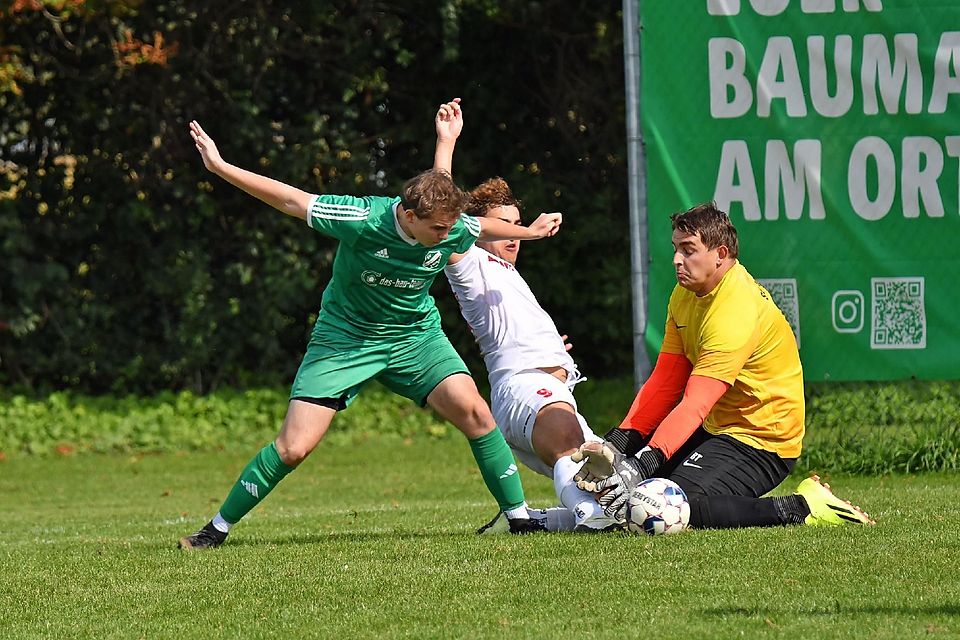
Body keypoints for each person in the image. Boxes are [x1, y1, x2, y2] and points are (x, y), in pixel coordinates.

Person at [178, 100, 564, 550]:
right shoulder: (364, 218)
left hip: (414, 337)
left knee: (477, 414)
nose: (451, 236)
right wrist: (221, 166)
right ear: (409, 215)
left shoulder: (449, 224)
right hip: (346, 339)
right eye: (439, 229)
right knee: (293, 447)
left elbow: (473, 223)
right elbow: (291, 198)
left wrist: (451, 147)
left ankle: (518, 518)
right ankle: (215, 529)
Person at [573, 202, 875, 529]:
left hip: (764, 442)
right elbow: (664, 384)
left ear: (720, 253)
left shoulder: (736, 308)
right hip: (717, 430)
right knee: (626, 493)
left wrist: (641, 465)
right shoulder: (683, 295)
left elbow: (695, 404)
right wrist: (616, 445)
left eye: (688, 250)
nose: (676, 259)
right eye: (675, 249)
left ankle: (804, 507)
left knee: (673, 503)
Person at [441, 177, 618, 533]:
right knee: (575, 451)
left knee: (609, 485)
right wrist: (446, 141)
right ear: (479, 229)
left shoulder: (508, 275)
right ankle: (594, 520)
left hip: (544, 391)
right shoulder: (469, 262)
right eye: (502, 225)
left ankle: (532, 521)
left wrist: (553, 351)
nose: (512, 233)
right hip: (523, 387)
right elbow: (443, 215)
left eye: (517, 224)